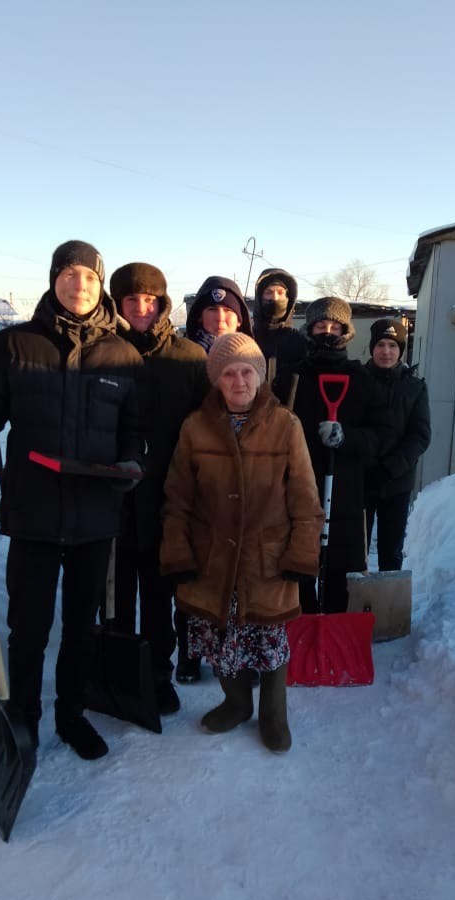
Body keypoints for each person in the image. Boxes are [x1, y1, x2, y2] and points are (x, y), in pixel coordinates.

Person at [0, 240, 144, 760]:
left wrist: (134, 464)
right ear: (53, 280)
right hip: (34, 512)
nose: (79, 286)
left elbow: (133, 434)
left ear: (100, 286)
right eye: (69, 275)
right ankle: (22, 720)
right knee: (28, 627)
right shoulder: (14, 345)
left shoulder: (125, 356)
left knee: (80, 627)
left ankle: (71, 716)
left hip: (95, 514)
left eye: (89, 278)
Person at [160, 332, 323, 752]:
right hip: (212, 555)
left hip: (265, 556)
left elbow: (306, 498)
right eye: (228, 373)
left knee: (268, 639)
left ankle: (273, 714)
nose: (238, 381)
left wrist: (301, 552)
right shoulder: (195, 428)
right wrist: (178, 550)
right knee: (219, 634)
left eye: (246, 372)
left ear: (259, 375)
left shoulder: (286, 425)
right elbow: (176, 498)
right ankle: (236, 704)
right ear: (216, 379)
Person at [108, 261, 209, 714]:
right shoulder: (101, 353)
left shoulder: (189, 359)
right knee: (112, 593)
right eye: (132, 300)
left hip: (166, 499)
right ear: (118, 304)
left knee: (158, 592)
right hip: (111, 497)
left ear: (164, 303)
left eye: (151, 300)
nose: (142, 308)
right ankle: (117, 674)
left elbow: (205, 430)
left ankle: (157, 675)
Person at [273, 296, 388, 614]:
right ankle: (301, 626)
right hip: (297, 487)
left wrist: (348, 437)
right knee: (298, 565)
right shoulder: (290, 377)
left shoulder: (362, 380)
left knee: (338, 569)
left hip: (345, 491)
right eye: (320, 325)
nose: (327, 332)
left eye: (334, 326)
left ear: (346, 332)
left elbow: (381, 435)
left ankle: (333, 633)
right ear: (309, 330)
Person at [175, 275, 254, 681]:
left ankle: (236, 648)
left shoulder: (253, 359)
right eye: (211, 309)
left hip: (241, 477)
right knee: (193, 565)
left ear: (239, 319)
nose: (219, 317)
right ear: (198, 316)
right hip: (195, 472)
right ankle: (189, 651)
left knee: (238, 569)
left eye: (228, 311)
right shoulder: (184, 357)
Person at [364, 317, 431, 571]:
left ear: (401, 350)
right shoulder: (358, 381)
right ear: (372, 348)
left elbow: (420, 435)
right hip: (362, 479)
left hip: (397, 482)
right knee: (355, 548)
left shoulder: (414, 387)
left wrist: (390, 468)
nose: (386, 351)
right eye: (380, 344)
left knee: (391, 552)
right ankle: (355, 605)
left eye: (393, 345)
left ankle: (388, 606)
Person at [252, 267, 307, 370]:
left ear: (289, 299)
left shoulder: (300, 341)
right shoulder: (247, 338)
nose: (275, 298)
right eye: (269, 292)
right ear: (259, 298)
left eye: (280, 292)